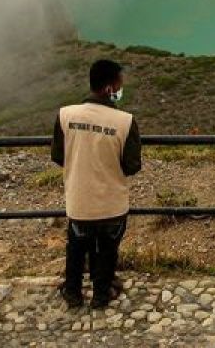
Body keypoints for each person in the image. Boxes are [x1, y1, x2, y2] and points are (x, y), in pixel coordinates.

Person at [51, 59, 143, 309]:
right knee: (108, 248)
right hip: (112, 204)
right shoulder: (125, 121)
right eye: (119, 84)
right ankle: (102, 294)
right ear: (109, 88)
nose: (121, 88)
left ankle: (73, 292)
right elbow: (132, 165)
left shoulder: (65, 115)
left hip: (79, 201)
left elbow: (58, 156)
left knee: (77, 247)